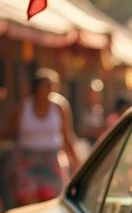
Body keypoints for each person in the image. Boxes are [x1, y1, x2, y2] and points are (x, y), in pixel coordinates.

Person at [2, 68, 80, 205]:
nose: (51, 89)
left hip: (51, 158)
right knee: (27, 199)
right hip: (27, 158)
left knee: (52, 198)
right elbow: (8, 132)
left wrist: (77, 162)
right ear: (37, 88)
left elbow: (67, 135)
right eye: (47, 85)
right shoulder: (23, 108)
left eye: (53, 86)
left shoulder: (60, 107)